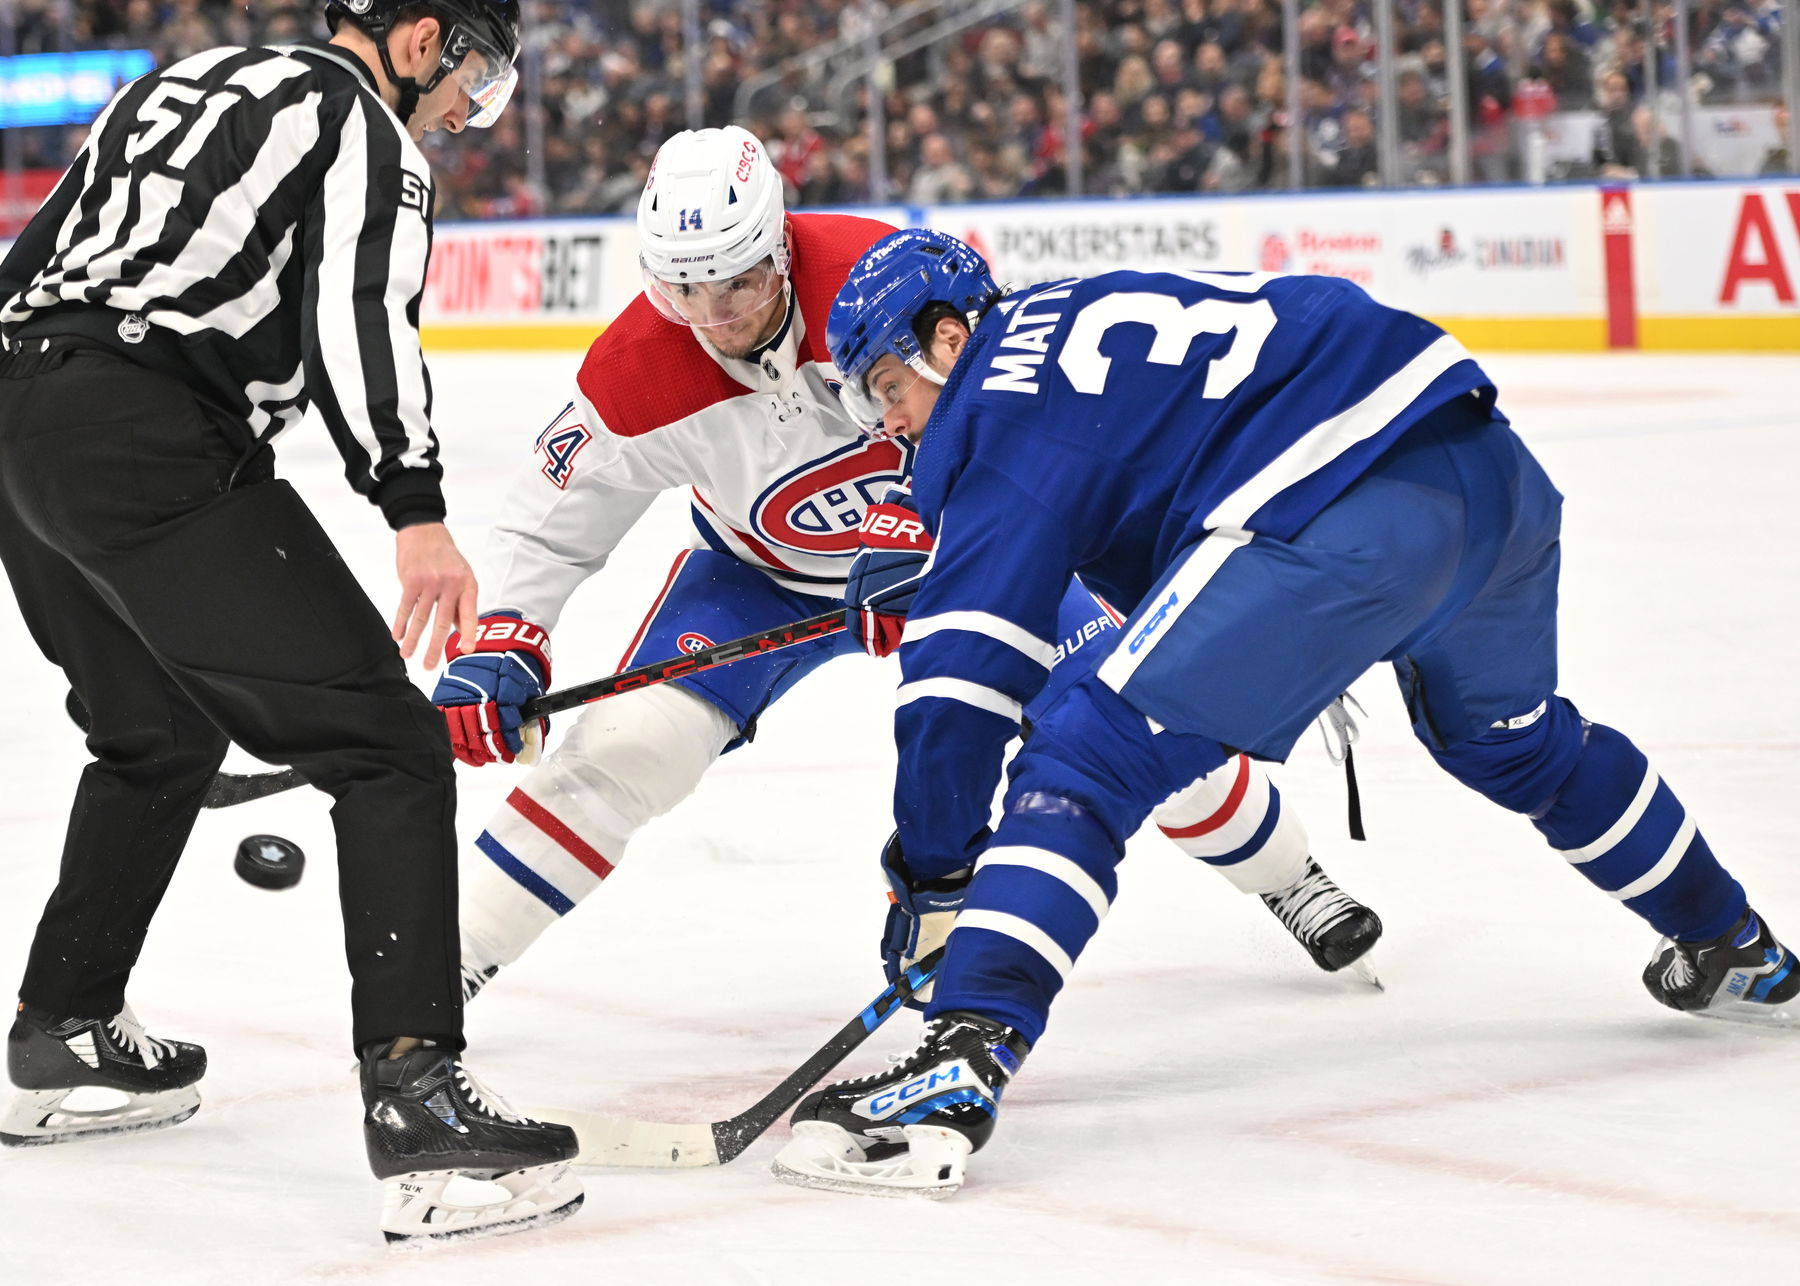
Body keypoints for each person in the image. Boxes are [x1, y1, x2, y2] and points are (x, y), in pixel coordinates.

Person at [771, 229, 1797, 1198]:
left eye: (889, 388)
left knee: (1085, 758)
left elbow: (958, 690)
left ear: (948, 339)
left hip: (1339, 520)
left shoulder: (991, 410)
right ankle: (1735, 945)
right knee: (1520, 747)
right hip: (1490, 476)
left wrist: (937, 870)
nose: (889, 424)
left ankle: (955, 1065)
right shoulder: (1073, 314)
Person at [430, 127, 1380, 1010]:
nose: (716, 320)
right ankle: (437, 973)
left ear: (782, 250)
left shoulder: (876, 274)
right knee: (625, 749)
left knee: (1121, 718)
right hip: (758, 579)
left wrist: (924, 518)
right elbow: (550, 517)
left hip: (971, 554)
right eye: (687, 293)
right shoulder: (637, 369)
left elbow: (1010, 399)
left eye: (741, 287)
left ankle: (1290, 877)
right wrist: (507, 633)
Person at [0, 0, 581, 1242]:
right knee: (389, 746)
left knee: (157, 731)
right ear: (421, 39)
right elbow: (358, 314)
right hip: (149, 433)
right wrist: (412, 504)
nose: (466, 110)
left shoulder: (179, 82)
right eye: (473, 74)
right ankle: (423, 1109)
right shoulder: (360, 122)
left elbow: (27, 266)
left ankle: (64, 1029)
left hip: (21, 429)